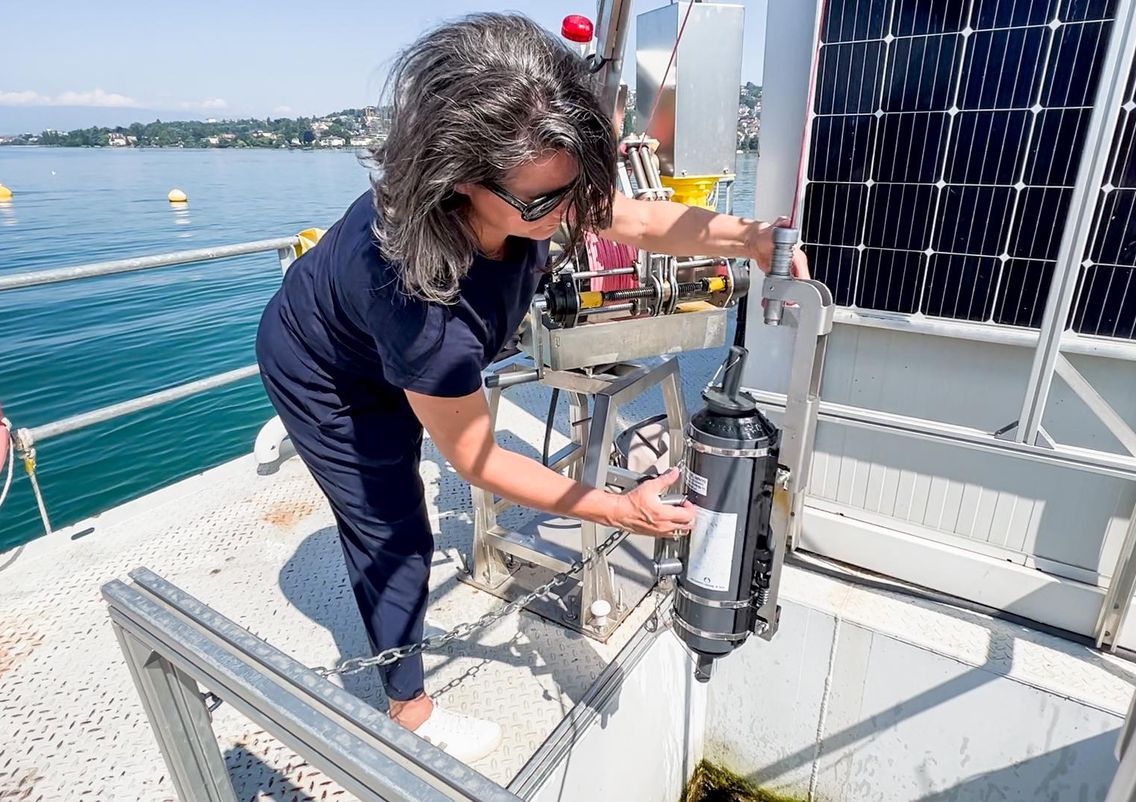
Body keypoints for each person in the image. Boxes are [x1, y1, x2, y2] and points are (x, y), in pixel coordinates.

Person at [255, 12, 807, 764]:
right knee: (393, 528)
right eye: (542, 205)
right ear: (459, 183)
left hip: (400, 345)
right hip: (328, 372)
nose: (568, 216)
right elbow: (478, 462)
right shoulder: (421, 306)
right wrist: (619, 507)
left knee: (430, 421)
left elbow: (639, 221)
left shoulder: (543, 182)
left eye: (575, 189)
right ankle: (407, 707)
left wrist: (747, 237)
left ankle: (411, 405)